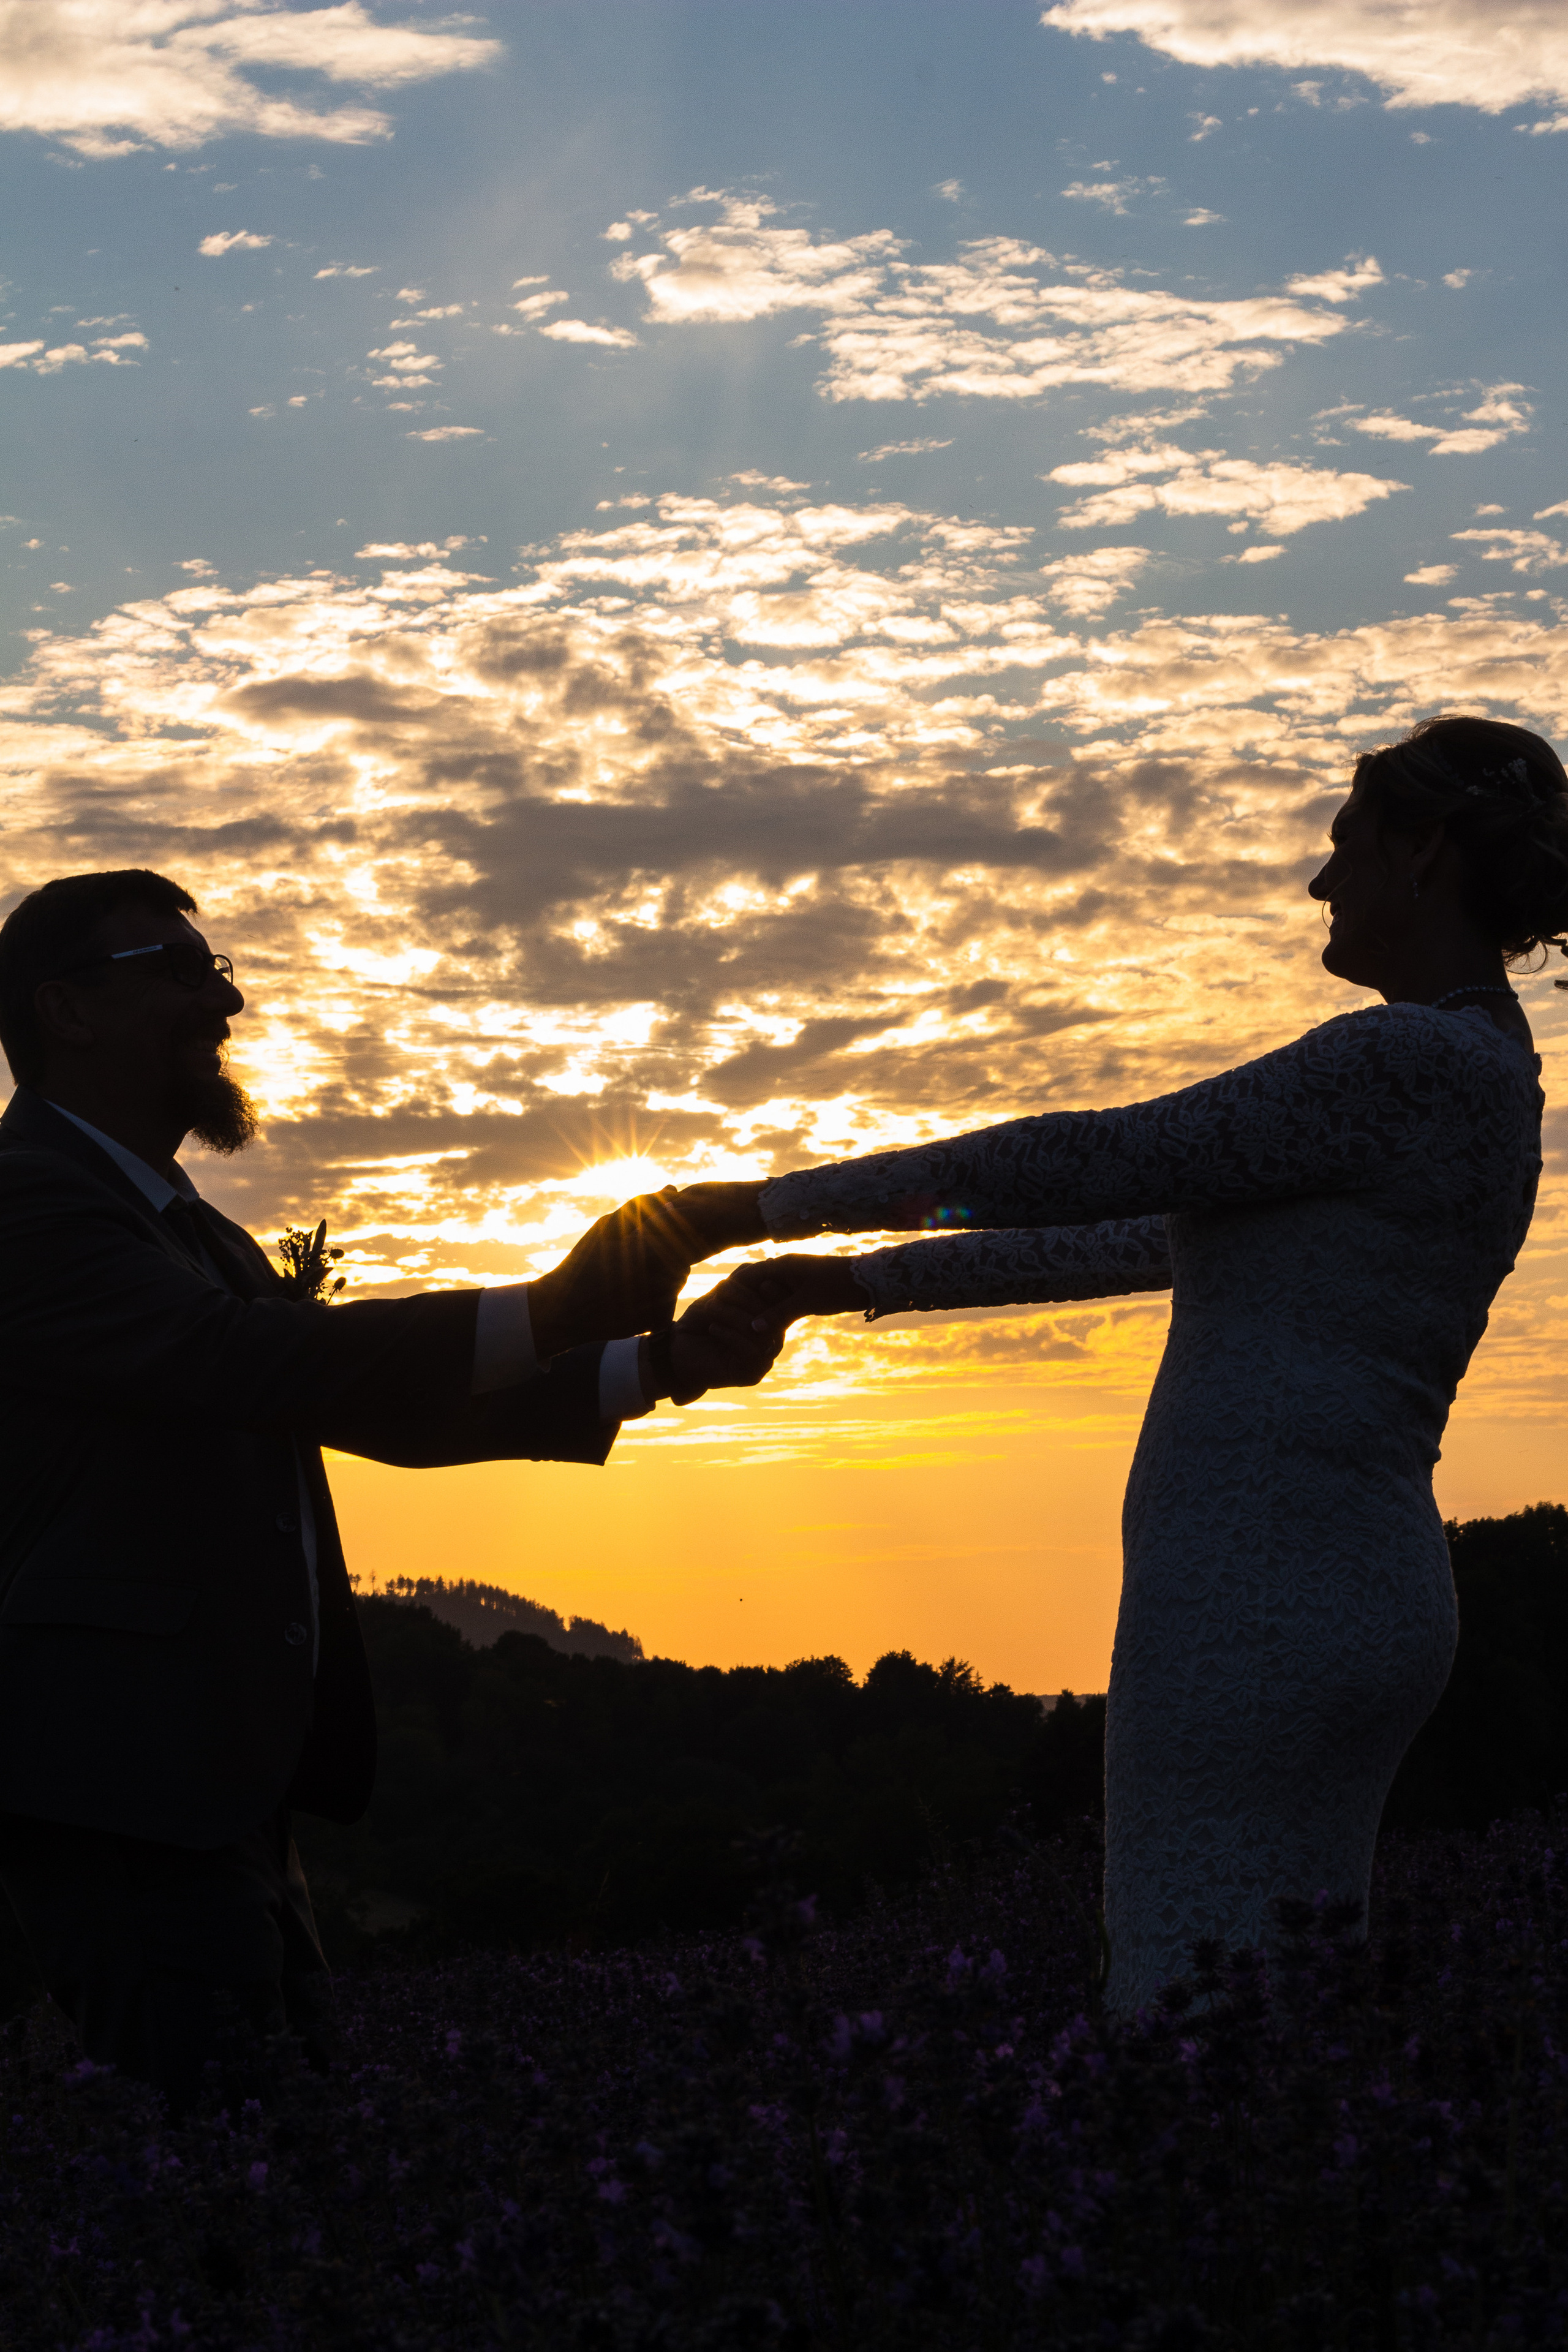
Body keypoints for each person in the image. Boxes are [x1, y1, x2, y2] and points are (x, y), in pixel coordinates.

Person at [689, 715, 1562, 2011]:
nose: (1320, 884)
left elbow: (1073, 1160)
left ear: (1424, 849)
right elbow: (1131, 1235)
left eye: (1343, 846)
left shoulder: (1403, 1060)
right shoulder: (1476, 1070)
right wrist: (839, 1284)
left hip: (1262, 1596)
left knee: (1184, 2013)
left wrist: (737, 1210)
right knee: (1270, 2016)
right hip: (1321, 1582)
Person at [0, 868, 771, 2109]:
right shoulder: (27, 1202)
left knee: (285, 2163)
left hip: (215, 1789)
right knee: (225, 2186)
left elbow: (359, 1407)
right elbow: (247, 1362)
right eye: (183, 973)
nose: (227, 1003)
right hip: (124, 1794)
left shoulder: (194, 1236)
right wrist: (561, 1302)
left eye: (222, 971)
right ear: (67, 1011)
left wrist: (659, 1364)